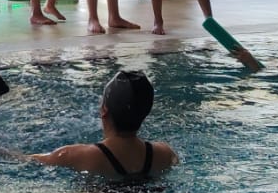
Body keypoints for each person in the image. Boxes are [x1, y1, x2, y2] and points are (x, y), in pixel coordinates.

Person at [30, 70, 178, 179]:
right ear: (146, 112)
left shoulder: (77, 156)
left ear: (104, 110)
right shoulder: (165, 153)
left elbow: (28, 162)